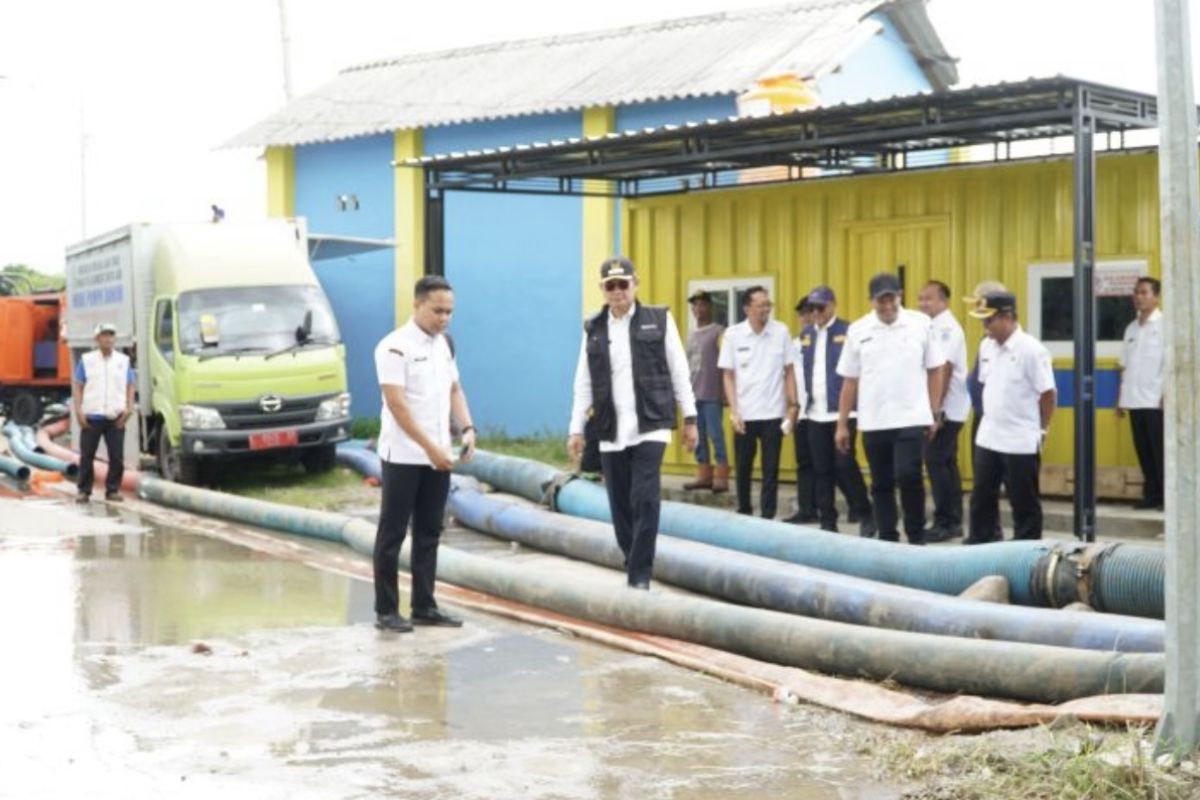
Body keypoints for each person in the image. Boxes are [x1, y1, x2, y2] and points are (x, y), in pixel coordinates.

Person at [568, 257, 698, 589]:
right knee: (620, 504)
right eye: (610, 286)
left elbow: (679, 370)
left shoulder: (660, 319)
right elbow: (583, 382)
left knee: (645, 497)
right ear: (602, 290)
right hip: (611, 429)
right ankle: (633, 558)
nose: (617, 292)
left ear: (635, 284)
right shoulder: (593, 328)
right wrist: (576, 428)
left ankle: (639, 575)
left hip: (651, 423)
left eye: (623, 284)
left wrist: (690, 418)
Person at [373, 275, 476, 632]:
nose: (444, 318)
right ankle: (386, 610)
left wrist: (468, 428)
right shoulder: (393, 347)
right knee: (393, 533)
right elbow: (398, 406)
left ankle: (424, 605)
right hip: (404, 456)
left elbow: (454, 389)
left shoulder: (443, 344)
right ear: (417, 305)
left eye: (449, 312)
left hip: (439, 455)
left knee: (430, 532)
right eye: (437, 311)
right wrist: (430, 449)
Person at [836, 273, 945, 544]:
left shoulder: (920, 324)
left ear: (900, 296)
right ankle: (887, 535)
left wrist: (934, 412)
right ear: (871, 301)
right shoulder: (858, 330)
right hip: (873, 418)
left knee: (908, 475)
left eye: (891, 299)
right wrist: (841, 424)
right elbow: (850, 380)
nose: (887, 306)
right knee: (881, 482)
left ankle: (916, 533)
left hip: (911, 415)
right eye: (880, 301)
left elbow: (935, 370)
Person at [966, 291, 1057, 543]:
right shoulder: (986, 346)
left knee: (1023, 502)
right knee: (981, 499)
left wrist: (1042, 429)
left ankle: (1025, 556)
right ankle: (980, 547)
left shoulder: (1031, 350)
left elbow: (1048, 395)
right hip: (988, 436)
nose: (985, 327)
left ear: (1007, 317)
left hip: (1020, 440)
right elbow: (986, 384)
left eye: (989, 321)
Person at [798, 286, 875, 536]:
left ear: (833, 305)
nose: (816, 313)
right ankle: (827, 521)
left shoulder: (848, 331)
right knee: (821, 468)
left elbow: (856, 373)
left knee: (844, 464)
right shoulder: (807, 334)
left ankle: (865, 512)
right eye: (812, 308)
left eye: (821, 307)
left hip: (843, 411)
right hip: (815, 411)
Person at [719, 286, 797, 519]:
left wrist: (793, 406)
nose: (766, 309)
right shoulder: (733, 334)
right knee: (743, 467)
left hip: (774, 413)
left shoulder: (780, 331)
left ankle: (768, 515)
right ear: (747, 308)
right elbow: (728, 375)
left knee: (770, 468)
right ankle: (744, 509)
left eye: (768, 305)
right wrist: (734, 411)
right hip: (745, 413)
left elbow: (789, 370)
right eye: (761, 305)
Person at [917, 280, 970, 542]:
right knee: (947, 464)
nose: (922, 303)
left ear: (943, 301)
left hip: (946, 409)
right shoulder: (931, 326)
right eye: (920, 299)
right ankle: (953, 520)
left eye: (928, 299)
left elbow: (944, 370)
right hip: (942, 408)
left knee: (937, 463)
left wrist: (935, 411)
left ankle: (945, 521)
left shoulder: (947, 328)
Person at [1116, 276, 1165, 511]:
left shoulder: (1164, 326)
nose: (1139, 297)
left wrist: (1166, 395)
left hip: (1156, 400)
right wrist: (1120, 399)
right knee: (1143, 450)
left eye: (1144, 292)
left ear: (1156, 297)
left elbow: (1171, 363)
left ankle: (1167, 497)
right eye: (1136, 292)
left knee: (1160, 451)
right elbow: (1124, 365)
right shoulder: (1131, 328)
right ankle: (1152, 495)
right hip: (1134, 399)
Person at [73, 322, 135, 503]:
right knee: (87, 456)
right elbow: (78, 385)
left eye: (111, 335)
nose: (108, 339)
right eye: (104, 335)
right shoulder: (87, 360)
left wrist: (129, 408)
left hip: (116, 416)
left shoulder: (123, 361)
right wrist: (78, 410)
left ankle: (112, 490)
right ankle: (84, 490)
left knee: (117, 457)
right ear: (97, 339)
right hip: (92, 416)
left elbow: (130, 384)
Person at [683, 290, 728, 493]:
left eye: (702, 305)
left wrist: (725, 391)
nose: (698, 309)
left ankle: (721, 474)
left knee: (715, 434)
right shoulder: (691, 335)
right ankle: (704, 474)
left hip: (712, 393)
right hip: (694, 394)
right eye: (695, 306)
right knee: (698, 436)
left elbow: (726, 364)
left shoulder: (719, 332)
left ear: (710, 307)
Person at [784, 298, 818, 524]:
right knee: (805, 462)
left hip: (824, 413)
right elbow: (790, 377)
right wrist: (793, 406)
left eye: (810, 312)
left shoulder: (831, 340)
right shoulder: (795, 344)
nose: (806, 318)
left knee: (830, 463)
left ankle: (855, 506)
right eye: (802, 314)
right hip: (802, 411)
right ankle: (807, 508)